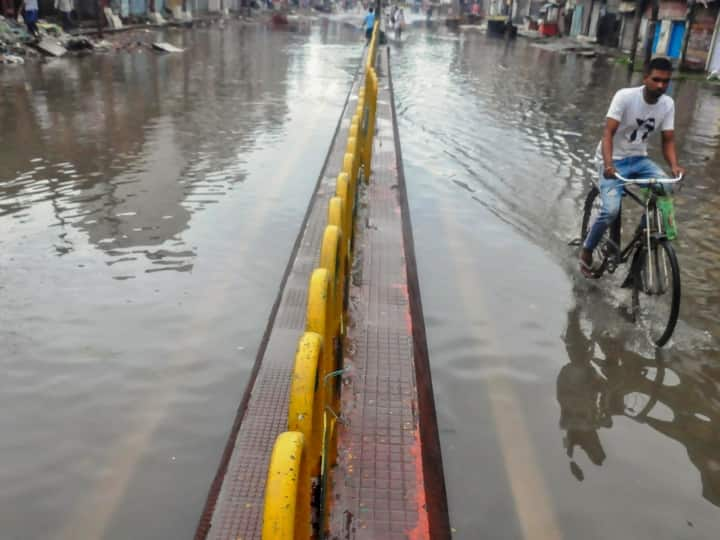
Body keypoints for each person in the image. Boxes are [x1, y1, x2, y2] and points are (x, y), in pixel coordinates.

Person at [579, 57, 685, 278]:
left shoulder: (668, 104)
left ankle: (644, 233)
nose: (661, 86)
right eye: (656, 80)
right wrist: (608, 164)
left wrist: (674, 166)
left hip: (639, 160)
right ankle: (587, 250)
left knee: (666, 188)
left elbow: (668, 140)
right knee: (610, 210)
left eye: (666, 81)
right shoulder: (625, 97)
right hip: (613, 160)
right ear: (645, 78)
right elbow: (607, 133)